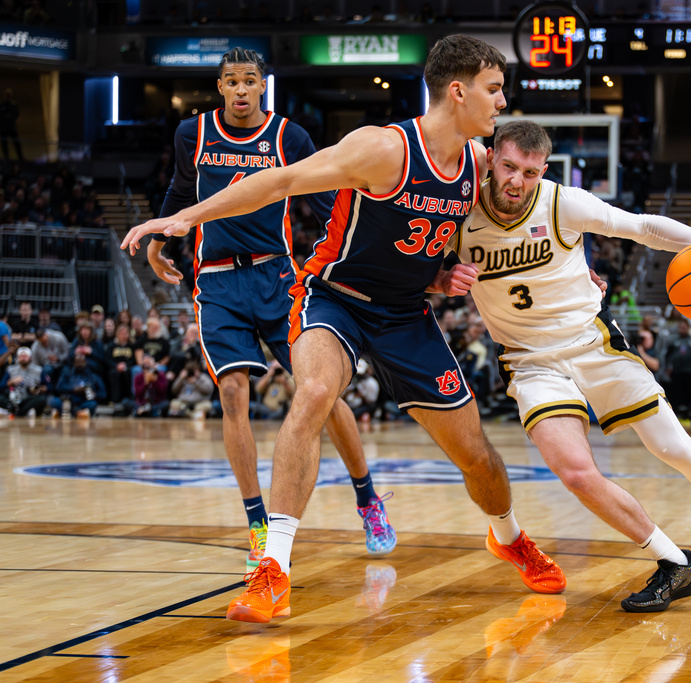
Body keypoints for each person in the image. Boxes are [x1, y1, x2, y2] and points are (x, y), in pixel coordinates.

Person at [122, 36, 565, 623]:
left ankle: (507, 535)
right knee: (312, 394)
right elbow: (280, 181)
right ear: (457, 91)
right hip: (334, 299)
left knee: (477, 456)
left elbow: (539, 212)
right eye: (493, 88)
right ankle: (272, 569)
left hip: (406, 312)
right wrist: (183, 217)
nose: (502, 101)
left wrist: (569, 268)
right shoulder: (383, 149)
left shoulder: (482, 166)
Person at [443, 120, 691, 611]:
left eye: (530, 172)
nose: (517, 181)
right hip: (530, 361)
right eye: (509, 167)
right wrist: (444, 278)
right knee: (577, 473)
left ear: (544, 171)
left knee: (674, 447)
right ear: (492, 158)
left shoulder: (561, 202)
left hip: (592, 344)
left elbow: (641, 227)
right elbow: (424, 270)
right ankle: (674, 562)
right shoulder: (459, 213)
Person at [143, 47, 396, 574]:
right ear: (219, 87)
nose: (240, 89)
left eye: (249, 80)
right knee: (232, 392)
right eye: (231, 81)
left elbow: (328, 203)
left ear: (264, 86)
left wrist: (354, 258)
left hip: (277, 275)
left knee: (319, 390)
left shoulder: (289, 137)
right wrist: (158, 238)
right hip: (214, 278)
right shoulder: (194, 133)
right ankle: (258, 520)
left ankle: (368, 498)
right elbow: (182, 190)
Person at [0, 347, 48, 417]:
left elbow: (49, 386)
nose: (23, 358)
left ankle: (15, 412)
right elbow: (1, 386)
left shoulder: (39, 370)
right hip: (14, 399)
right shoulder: (11, 369)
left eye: (25, 356)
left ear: (30, 357)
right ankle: (20, 411)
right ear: (18, 357)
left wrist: (39, 389)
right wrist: (10, 382)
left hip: (30, 398)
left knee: (42, 399)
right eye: (21, 356)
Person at [0, 89, 23, 163]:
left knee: (16, 143)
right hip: (4, 128)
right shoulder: (2, 105)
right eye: (6, 95)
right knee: (4, 144)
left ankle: (20, 157)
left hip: (12, 127)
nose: (7, 96)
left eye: (8, 95)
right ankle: (6, 157)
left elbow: (15, 115)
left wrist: (9, 118)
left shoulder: (14, 105)